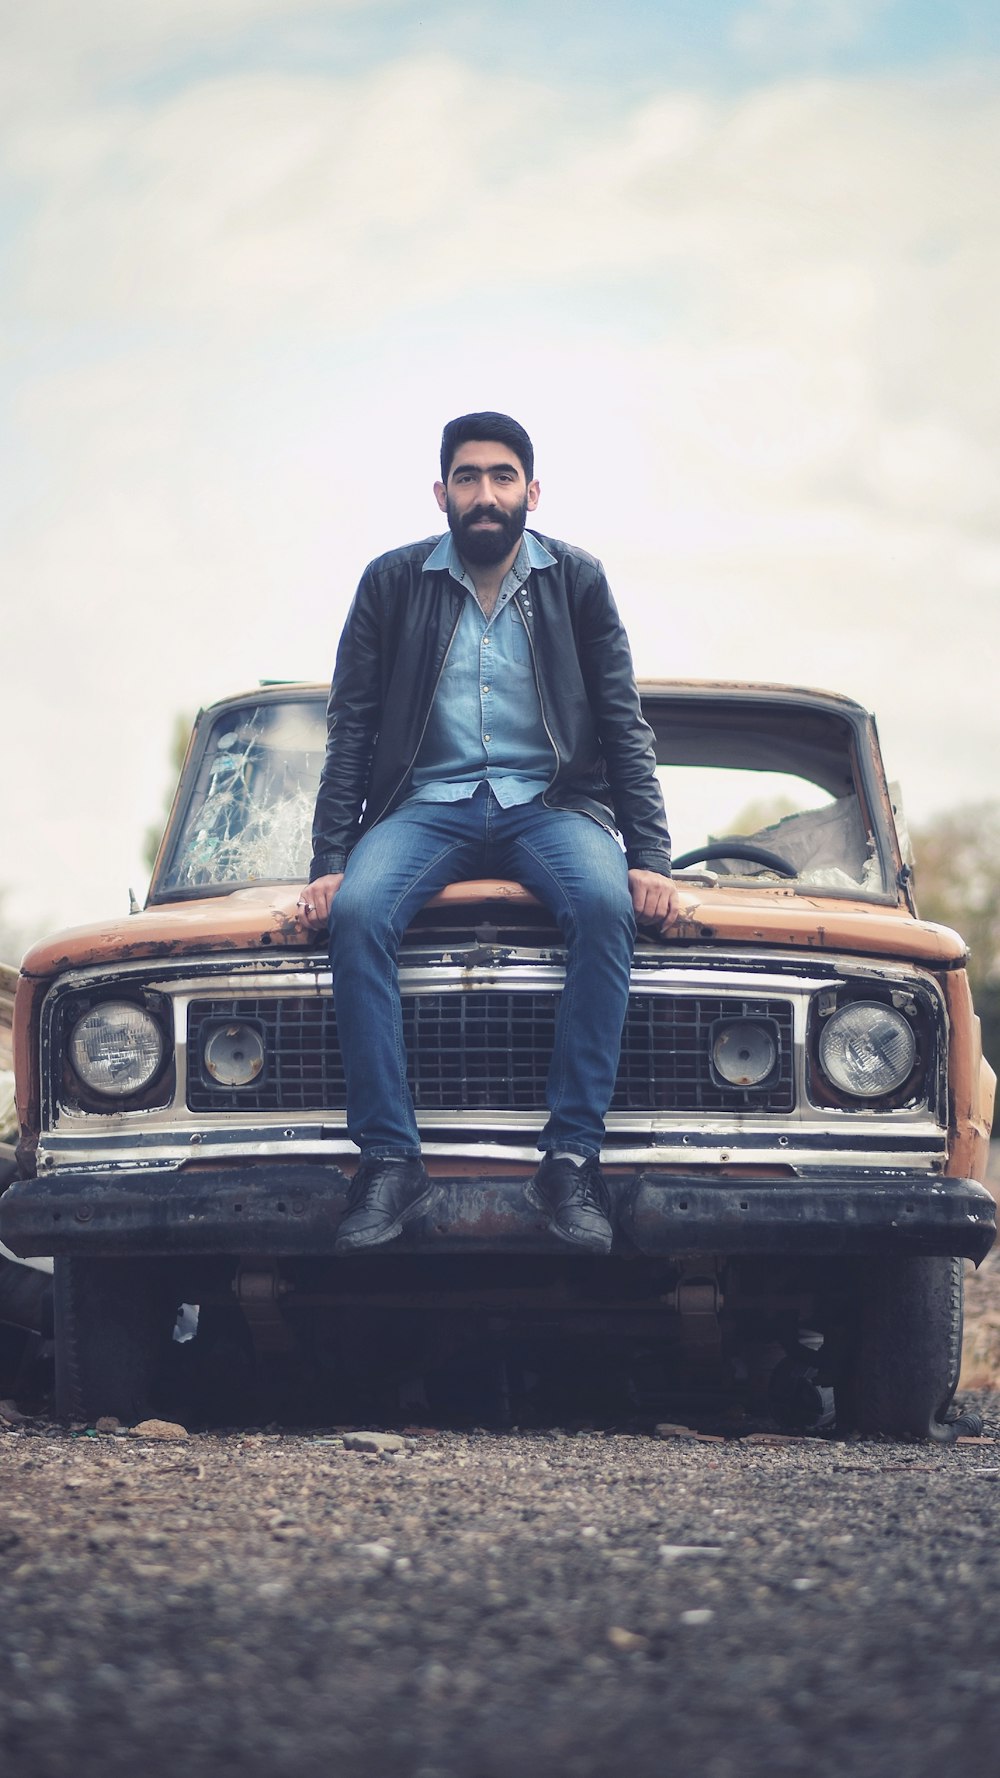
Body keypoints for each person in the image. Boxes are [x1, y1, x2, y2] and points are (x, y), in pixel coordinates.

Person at [298, 412, 679, 1255]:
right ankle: (392, 1159)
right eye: (467, 477)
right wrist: (330, 862)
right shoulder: (391, 584)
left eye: (502, 477)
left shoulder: (577, 581)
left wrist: (650, 858)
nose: (485, 493)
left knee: (605, 905)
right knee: (358, 913)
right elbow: (352, 727)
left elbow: (622, 723)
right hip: (423, 807)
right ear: (441, 493)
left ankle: (571, 1159)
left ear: (531, 492)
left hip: (550, 806)